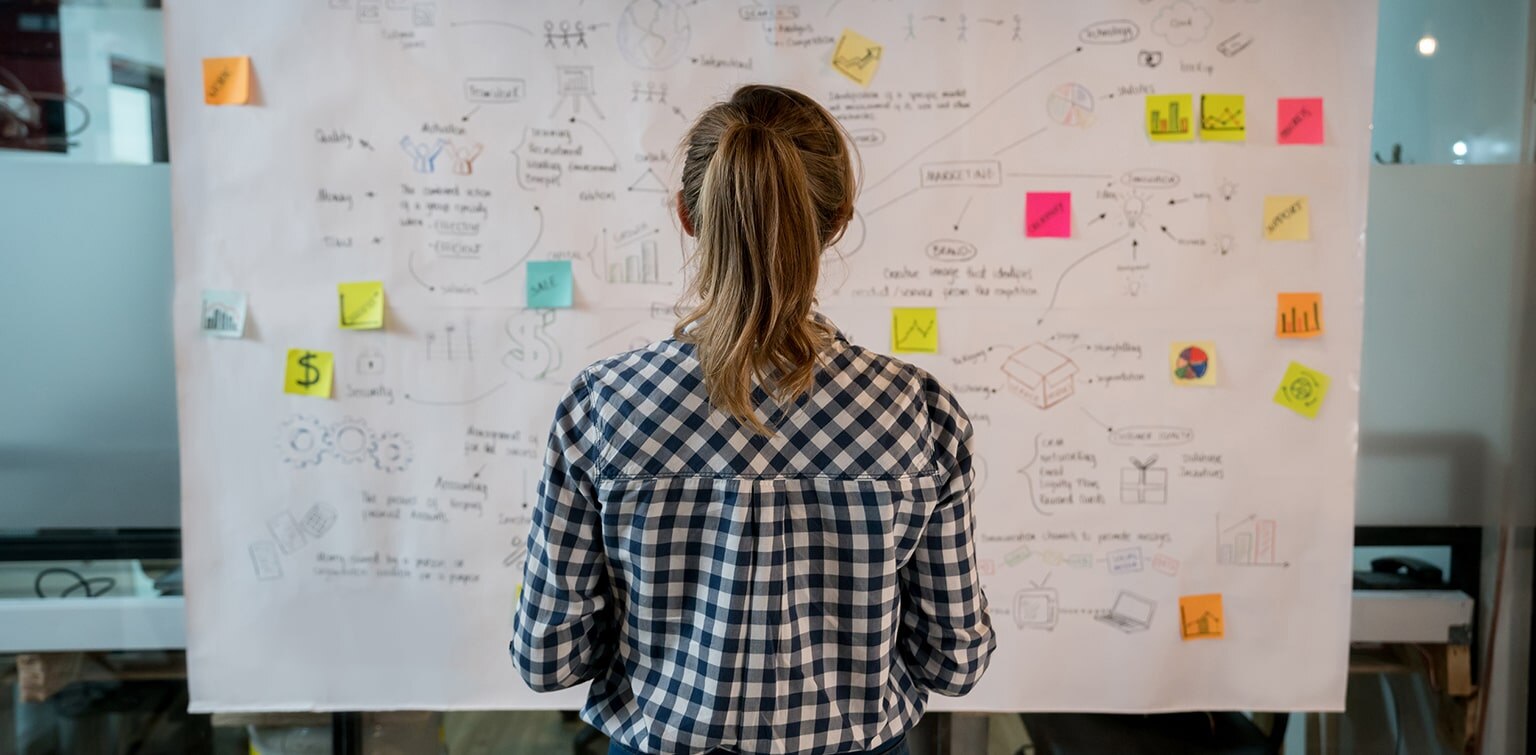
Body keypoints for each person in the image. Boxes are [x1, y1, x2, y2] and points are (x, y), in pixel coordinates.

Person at [512, 84, 995, 755]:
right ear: (837, 220)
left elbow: (548, 656)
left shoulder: (601, 405)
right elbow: (955, 661)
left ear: (686, 213)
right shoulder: (918, 410)